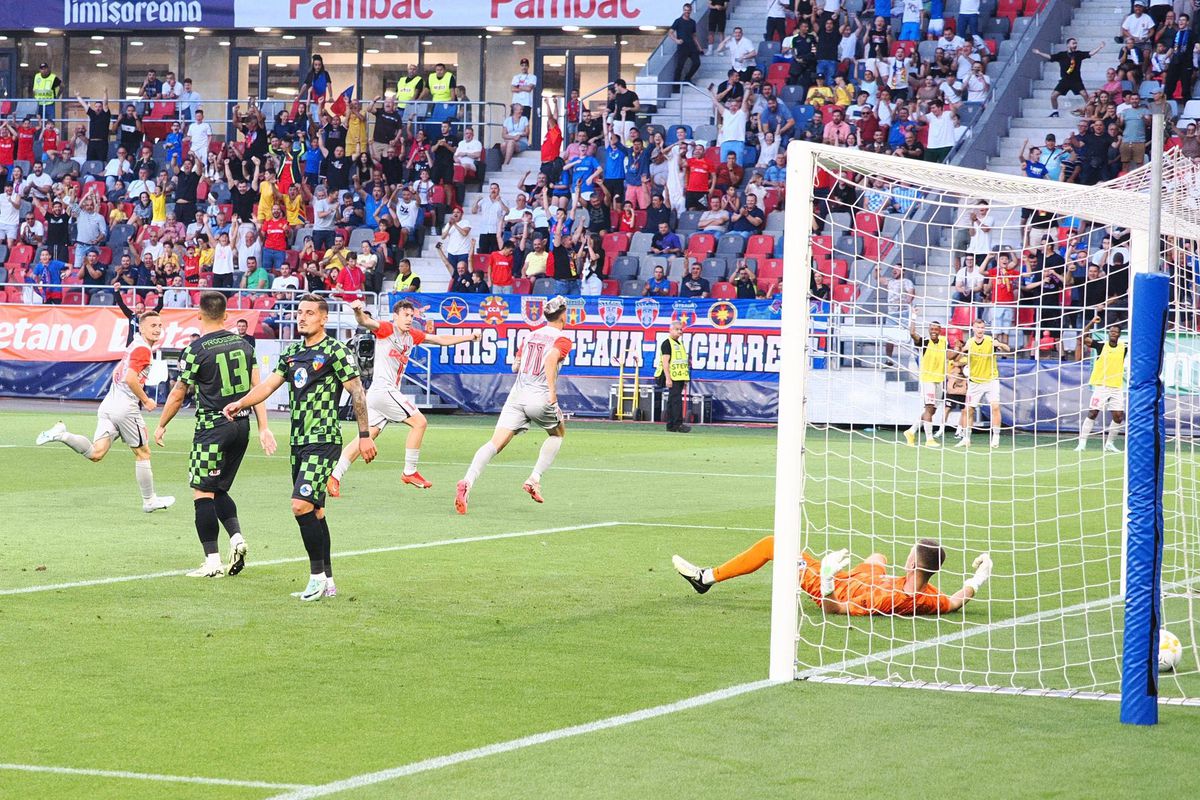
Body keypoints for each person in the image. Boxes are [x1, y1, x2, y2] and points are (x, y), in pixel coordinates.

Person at [221, 295, 374, 601]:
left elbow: (357, 391)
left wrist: (365, 435)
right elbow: (267, 386)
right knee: (315, 512)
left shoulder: (335, 350)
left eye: (309, 313)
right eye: (300, 312)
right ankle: (328, 581)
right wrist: (241, 403)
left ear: (323, 319)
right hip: (298, 442)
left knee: (299, 505)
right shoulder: (291, 353)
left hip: (323, 439)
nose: (302, 317)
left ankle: (316, 578)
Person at [154, 292, 276, 577]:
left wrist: (161, 424)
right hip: (242, 426)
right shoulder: (245, 346)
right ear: (226, 316)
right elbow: (257, 388)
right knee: (219, 488)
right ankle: (237, 539)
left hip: (212, 428)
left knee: (202, 492)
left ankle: (212, 562)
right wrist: (263, 427)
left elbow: (178, 392)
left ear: (198, 314)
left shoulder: (196, 349)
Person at [328, 299, 482, 498]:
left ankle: (334, 476)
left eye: (411, 316)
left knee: (367, 436)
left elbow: (440, 340)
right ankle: (409, 471)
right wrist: (358, 311)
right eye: (405, 315)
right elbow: (366, 322)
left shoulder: (412, 336)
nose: (409, 319)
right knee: (420, 422)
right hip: (384, 391)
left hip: (380, 394)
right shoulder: (386, 329)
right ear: (395, 316)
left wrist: (469, 337)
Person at [36, 312, 175, 513]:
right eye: (153, 325)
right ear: (142, 328)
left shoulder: (133, 345)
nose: (157, 329)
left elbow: (117, 372)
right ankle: (149, 500)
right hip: (125, 408)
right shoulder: (143, 350)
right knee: (143, 453)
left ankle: (62, 434)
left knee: (96, 453)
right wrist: (146, 400)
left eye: (160, 325)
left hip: (109, 404)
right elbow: (129, 378)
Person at [670, 537, 993, 616]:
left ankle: (705, 578)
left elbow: (833, 608)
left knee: (773, 544)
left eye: (909, 555)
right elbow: (954, 602)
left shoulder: (887, 599)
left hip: (835, 587)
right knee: (878, 557)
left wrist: (826, 577)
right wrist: (980, 577)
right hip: (865, 579)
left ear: (912, 566)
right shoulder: (928, 595)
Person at [455, 296, 572, 514]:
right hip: (539, 396)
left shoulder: (529, 336)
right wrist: (552, 393)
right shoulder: (563, 339)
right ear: (563, 315)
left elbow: (515, 366)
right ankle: (534, 479)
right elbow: (549, 360)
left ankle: (467, 481)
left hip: (517, 396)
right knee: (557, 434)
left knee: (494, 444)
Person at [955, 318, 1011, 449]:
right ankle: (966, 438)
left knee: (995, 407)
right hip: (974, 382)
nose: (980, 330)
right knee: (969, 410)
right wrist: (963, 349)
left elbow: (1008, 349)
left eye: (982, 328)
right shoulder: (969, 343)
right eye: (977, 327)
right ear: (973, 328)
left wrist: (1000, 344)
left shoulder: (990, 341)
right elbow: (957, 360)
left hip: (991, 380)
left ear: (984, 329)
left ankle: (996, 437)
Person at [1076, 317, 1126, 453]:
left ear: (1119, 334)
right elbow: (1082, 338)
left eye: (1115, 332)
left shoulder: (1124, 347)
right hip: (1102, 386)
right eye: (1111, 332)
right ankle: (1082, 443)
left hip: (1117, 387)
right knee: (1093, 413)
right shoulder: (1101, 345)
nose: (1113, 334)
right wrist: (1091, 323)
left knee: (1118, 416)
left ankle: (1109, 444)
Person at [903, 313, 950, 448]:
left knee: (932, 410)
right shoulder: (924, 342)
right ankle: (929, 439)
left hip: (939, 380)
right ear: (929, 330)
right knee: (929, 408)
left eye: (936, 329)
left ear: (940, 331)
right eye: (932, 329)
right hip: (927, 380)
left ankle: (911, 431)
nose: (934, 331)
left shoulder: (944, 342)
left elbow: (949, 354)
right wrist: (913, 316)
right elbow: (912, 333)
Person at [1032, 39, 1105, 117]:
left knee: (1084, 94)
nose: (1075, 45)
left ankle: (1090, 110)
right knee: (1053, 96)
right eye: (1073, 43)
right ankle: (1055, 111)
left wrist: (1099, 47)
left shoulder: (1078, 54)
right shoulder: (1062, 55)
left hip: (1076, 80)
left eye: (1076, 43)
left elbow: (1090, 53)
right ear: (1068, 45)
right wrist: (1039, 53)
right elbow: (1050, 57)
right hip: (1064, 80)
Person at [656, 318, 692, 433]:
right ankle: (678, 424)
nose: (680, 332)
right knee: (676, 401)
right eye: (677, 329)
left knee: (673, 400)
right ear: (670, 330)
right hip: (672, 377)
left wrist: (685, 379)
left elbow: (681, 362)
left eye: (681, 329)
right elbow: (665, 362)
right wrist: (668, 378)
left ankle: (671, 425)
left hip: (679, 377)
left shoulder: (679, 343)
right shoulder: (667, 343)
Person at [670, 3, 704, 84]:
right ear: (683, 10)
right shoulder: (678, 21)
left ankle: (687, 78)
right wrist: (676, 40)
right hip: (682, 47)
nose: (687, 12)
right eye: (685, 10)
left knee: (697, 63)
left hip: (692, 46)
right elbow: (670, 32)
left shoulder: (692, 22)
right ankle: (676, 86)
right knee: (680, 66)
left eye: (688, 11)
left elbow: (694, 36)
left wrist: (699, 47)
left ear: (691, 11)